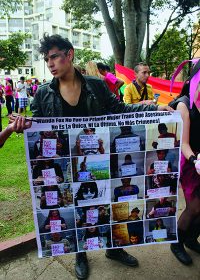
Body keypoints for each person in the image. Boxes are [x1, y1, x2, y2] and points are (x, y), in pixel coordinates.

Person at [30, 34, 172, 279]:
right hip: (69, 161)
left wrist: (154, 107)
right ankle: (81, 254)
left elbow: (120, 108)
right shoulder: (44, 93)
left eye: (54, 56)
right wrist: (23, 124)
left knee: (106, 204)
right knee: (79, 207)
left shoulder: (95, 85)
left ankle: (114, 249)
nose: (50, 63)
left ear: (69, 54)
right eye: (46, 59)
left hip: (101, 159)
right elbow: (36, 125)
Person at [169, 61, 200, 265]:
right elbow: (184, 144)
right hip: (190, 160)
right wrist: (195, 160)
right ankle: (177, 242)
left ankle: (190, 238)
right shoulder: (183, 104)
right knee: (195, 206)